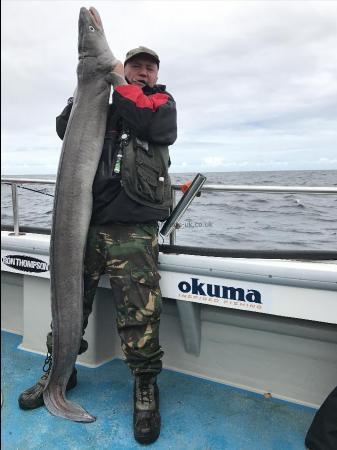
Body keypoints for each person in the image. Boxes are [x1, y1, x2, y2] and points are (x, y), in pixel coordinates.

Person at [18, 46, 177, 445]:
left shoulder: (160, 103)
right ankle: (60, 370)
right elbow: (63, 127)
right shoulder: (100, 107)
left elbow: (157, 128)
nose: (141, 72)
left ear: (155, 74)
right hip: (84, 226)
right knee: (68, 303)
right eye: (134, 66)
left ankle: (144, 387)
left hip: (133, 229)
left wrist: (119, 81)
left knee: (140, 314)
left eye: (148, 68)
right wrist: (87, 83)